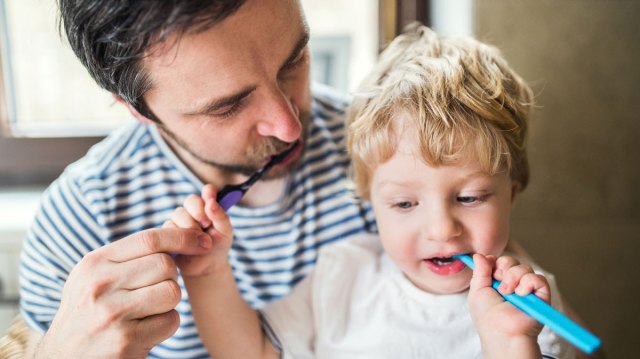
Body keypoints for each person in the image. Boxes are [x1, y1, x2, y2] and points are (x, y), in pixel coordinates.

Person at [164, 24, 576, 358]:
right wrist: (206, 272)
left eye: (469, 198)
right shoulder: (342, 276)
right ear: (370, 201)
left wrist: (509, 345)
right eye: (404, 203)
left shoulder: (529, 303)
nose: (441, 229)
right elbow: (251, 352)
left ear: (513, 193)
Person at [19, 1, 376, 358]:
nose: (289, 126)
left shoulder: (385, 151)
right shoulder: (82, 218)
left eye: (293, 61)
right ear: (136, 108)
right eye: (228, 106)